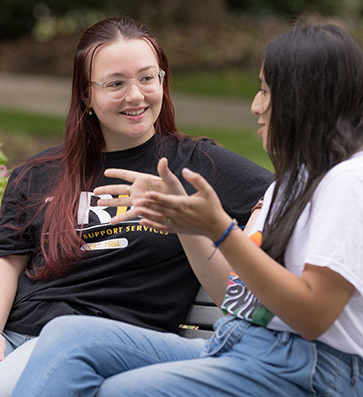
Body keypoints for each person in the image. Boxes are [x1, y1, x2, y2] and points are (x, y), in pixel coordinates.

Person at [13, 22, 363, 397]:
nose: (255, 106)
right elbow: (233, 297)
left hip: (304, 365)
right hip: (242, 344)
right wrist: (186, 224)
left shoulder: (347, 181)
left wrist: (221, 230)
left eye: (264, 91)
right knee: (68, 335)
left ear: (302, 99)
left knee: (115, 392)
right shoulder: (289, 185)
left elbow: (313, 317)